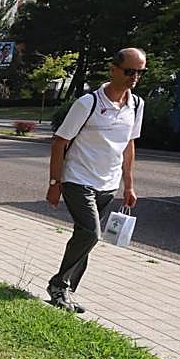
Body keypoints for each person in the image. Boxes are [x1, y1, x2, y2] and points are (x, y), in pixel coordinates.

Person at [45, 48, 145, 312]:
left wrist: (129, 185)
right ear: (113, 69)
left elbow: (129, 146)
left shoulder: (136, 105)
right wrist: (55, 184)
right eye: (129, 71)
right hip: (78, 179)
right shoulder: (87, 103)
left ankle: (64, 292)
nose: (135, 77)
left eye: (140, 72)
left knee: (84, 237)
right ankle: (58, 285)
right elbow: (60, 143)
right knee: (91, 233)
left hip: (107, 184)